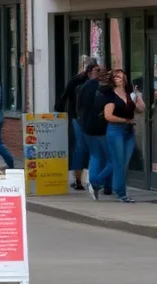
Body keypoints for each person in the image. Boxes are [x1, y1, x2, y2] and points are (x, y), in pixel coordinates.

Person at [102, 68, 145, 203]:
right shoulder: (110, 96)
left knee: (123, 163)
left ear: (124, 79)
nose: (117, 78)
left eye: (120, 76)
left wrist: (138, 97)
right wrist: (125, 120)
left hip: (128, 132)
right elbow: (108, 116)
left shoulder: (129, 95)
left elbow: (141, 109)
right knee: (119, 163)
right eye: (115, 77)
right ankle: (121, 193)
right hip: (115, 131)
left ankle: (97, 182)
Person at [58, 58, 98, 191]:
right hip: (81, 118)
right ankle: (82, 179)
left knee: (82, 148)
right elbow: (64, 98)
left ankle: (80, 179)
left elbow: (63, 98)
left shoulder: (76, 81)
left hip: (79, 117)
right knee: (87, 148)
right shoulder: (78, 81)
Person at [77, 64, 111, 199]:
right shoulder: (104, 89)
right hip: (102, 127)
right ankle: (99, 183)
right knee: (111, 159)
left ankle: (95, 182)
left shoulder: (83, 87)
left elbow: (79, 107)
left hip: (87, 127)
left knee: (95, 155)